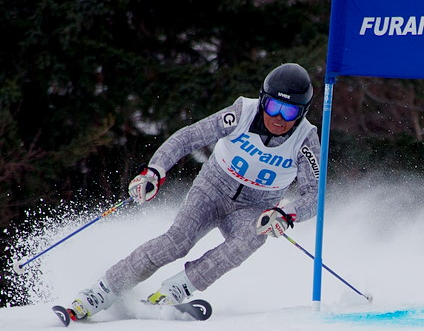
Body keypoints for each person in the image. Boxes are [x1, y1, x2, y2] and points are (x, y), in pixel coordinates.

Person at [70, 63, 320, 317]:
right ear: (262, 100)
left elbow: (314, 195)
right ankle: (103, 290)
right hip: (212, 189)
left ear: (301, 113)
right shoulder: (242, 112)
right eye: (272, 106)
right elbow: (188, 137)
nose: (278, 118)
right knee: (177, 241)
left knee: (254, 236)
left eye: (289, 111)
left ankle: (178, 288)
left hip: (254, 207)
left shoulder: (306, 139)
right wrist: (155, 170)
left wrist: (287, 213)